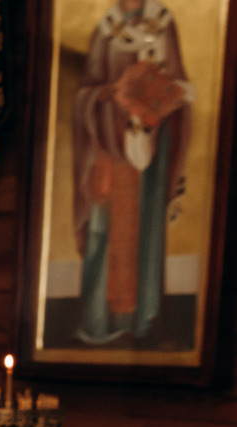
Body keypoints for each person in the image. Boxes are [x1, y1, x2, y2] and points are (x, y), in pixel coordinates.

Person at [71, 0, 192, 347]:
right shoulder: (105, 31)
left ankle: (142, 319)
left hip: (149, 151)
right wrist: (107, 94)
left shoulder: (163, 24)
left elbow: (180, 86)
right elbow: (84, 93)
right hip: (109, 149)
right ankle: (98, 320)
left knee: (145, 229)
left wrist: (157, 96)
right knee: (102, 230)